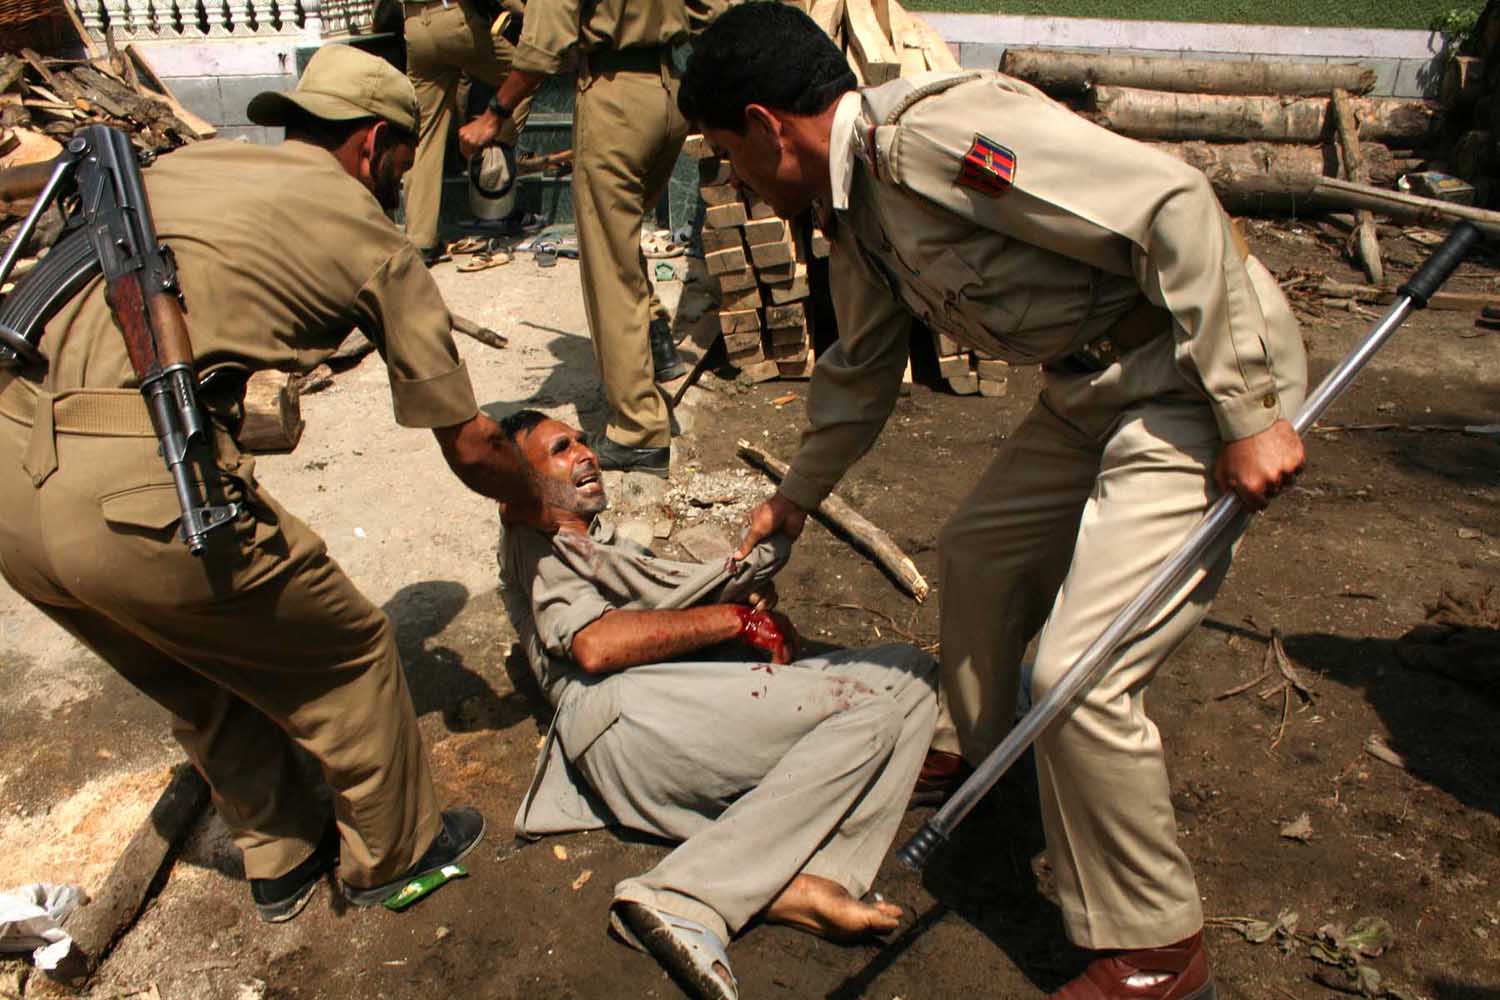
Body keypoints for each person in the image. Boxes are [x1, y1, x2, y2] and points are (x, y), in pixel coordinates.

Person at [679, 6, 1308, 999]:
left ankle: (1157, 951)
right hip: (1091, 389)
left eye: (726, 154)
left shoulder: (931, 140)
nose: (735, 178)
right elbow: (862, 367)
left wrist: (1250, 411)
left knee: (1082, 672)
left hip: (1194, 373)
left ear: (766, 127)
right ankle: (988, 758)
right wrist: (794, 499)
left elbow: (1175, 205)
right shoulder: (858, 207)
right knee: (977, 556)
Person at [0, 45, 535, 923]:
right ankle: (397, 855)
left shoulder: (180, 166)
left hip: (12, 484)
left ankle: (280, 858)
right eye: (403, 161)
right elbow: (472, 444)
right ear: (374, 144)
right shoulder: (369, 234)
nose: (402, 179)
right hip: (135, 494)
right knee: (352, 655)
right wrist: (532, 497)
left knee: (196, 667)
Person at [497, 409, 937, 1000]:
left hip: (671, 696)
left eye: (582, 440)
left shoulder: (597, 540)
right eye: (560, 449)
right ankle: (684, 898)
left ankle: (802, 876)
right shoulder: (534, 541)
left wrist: (735, 598)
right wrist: (733, 619)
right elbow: (595, 645)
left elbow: (661, 615)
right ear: (515, 485)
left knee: (910, 674)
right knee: (869, 713)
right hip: (625, 718)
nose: (585, 452)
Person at [457, 0, 731, 477]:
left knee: (608, 264)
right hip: (669, 92)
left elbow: (542, 44)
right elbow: (712, 12)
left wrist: (495, 113)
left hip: (613, 96)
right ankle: (657, 338)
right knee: (619, 238)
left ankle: (638, 430)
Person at [403, 0, 539, 264]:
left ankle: (420, 241)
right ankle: (489, 143)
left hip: (415, 25)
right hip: (454, 19)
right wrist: (523, 9)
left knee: (426, 135)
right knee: (529, 73)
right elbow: (533, 66)